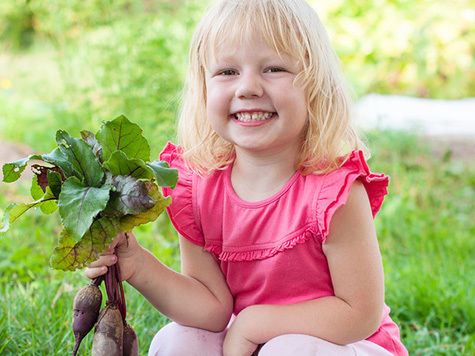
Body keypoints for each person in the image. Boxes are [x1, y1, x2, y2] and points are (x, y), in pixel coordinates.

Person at [86, 0, 408, 355]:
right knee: (177, 341)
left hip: (347, 344)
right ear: (204, 88)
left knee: (288, 350)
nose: (248, 87)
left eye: (273, 68)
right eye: (227, 72)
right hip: (253, 342)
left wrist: (254, 323)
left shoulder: (333, 193)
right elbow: (211, 309)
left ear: (314, 84)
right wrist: (138, 265)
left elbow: (358, 314)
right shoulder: (200, 188)